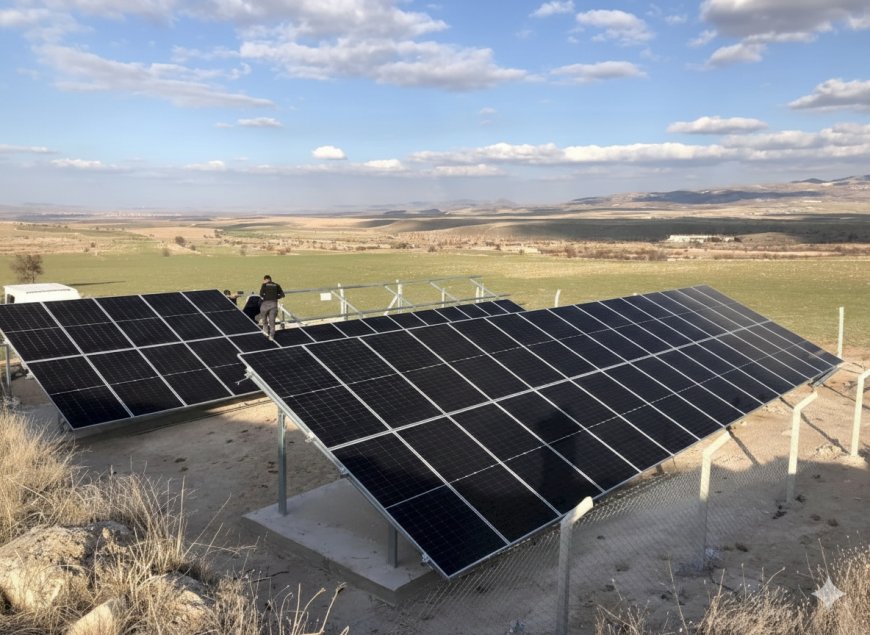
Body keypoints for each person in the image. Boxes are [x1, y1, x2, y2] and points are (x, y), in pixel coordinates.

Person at [257, 274, 284, 339]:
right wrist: (275, 297)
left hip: (265, 304)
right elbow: (282, 295)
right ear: (270, 279)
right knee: (272, 321)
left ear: (265, 279)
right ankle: (272, 335)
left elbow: (260, 294)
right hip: (273, 304)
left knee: (264, 319)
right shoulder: (277, 285)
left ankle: (265, 331)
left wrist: (266, 297)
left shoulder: (264, 285)